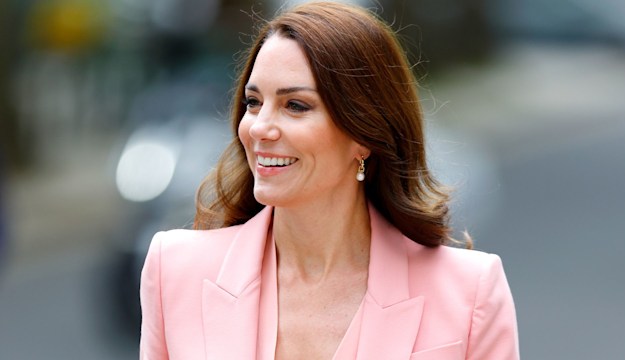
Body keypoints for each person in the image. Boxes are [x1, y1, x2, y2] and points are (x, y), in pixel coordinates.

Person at [139, 2, 519, 359]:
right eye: (254, 102)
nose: (259, 128)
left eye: (295, 105)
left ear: (364, 134)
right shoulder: (173, 268)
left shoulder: (470, 293)